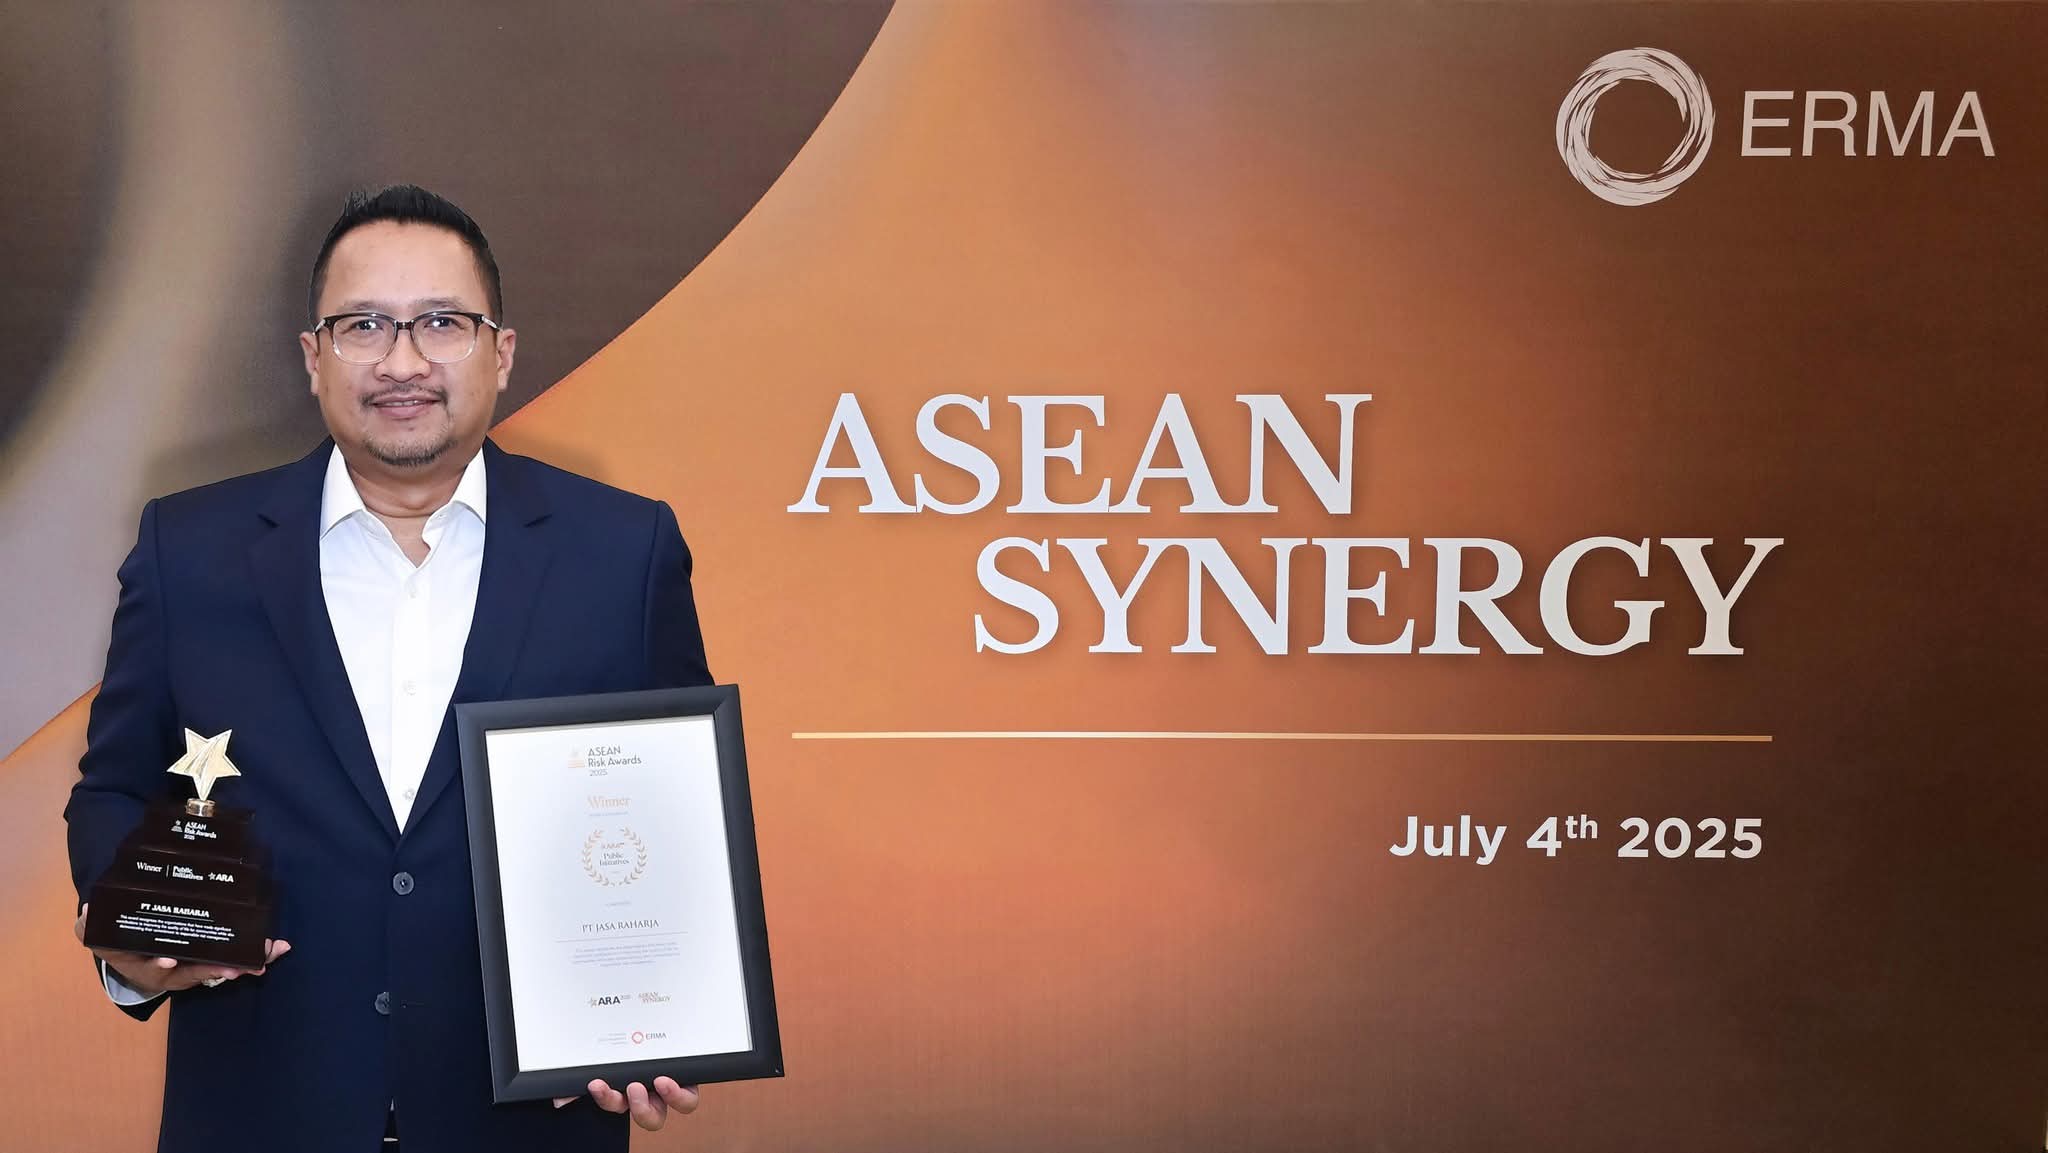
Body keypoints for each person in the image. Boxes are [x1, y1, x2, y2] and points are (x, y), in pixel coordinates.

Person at [64, 185, 710, 1153]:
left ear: (501, 352)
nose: (402, 361)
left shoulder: (623, 550)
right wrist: (132, 941)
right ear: (313, 356)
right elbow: (115, 786)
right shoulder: (187, 550)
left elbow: (674, 816)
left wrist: (667, 1014)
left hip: (527, 1127)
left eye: (442, 323)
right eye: (364, 324)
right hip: (259, 1118)